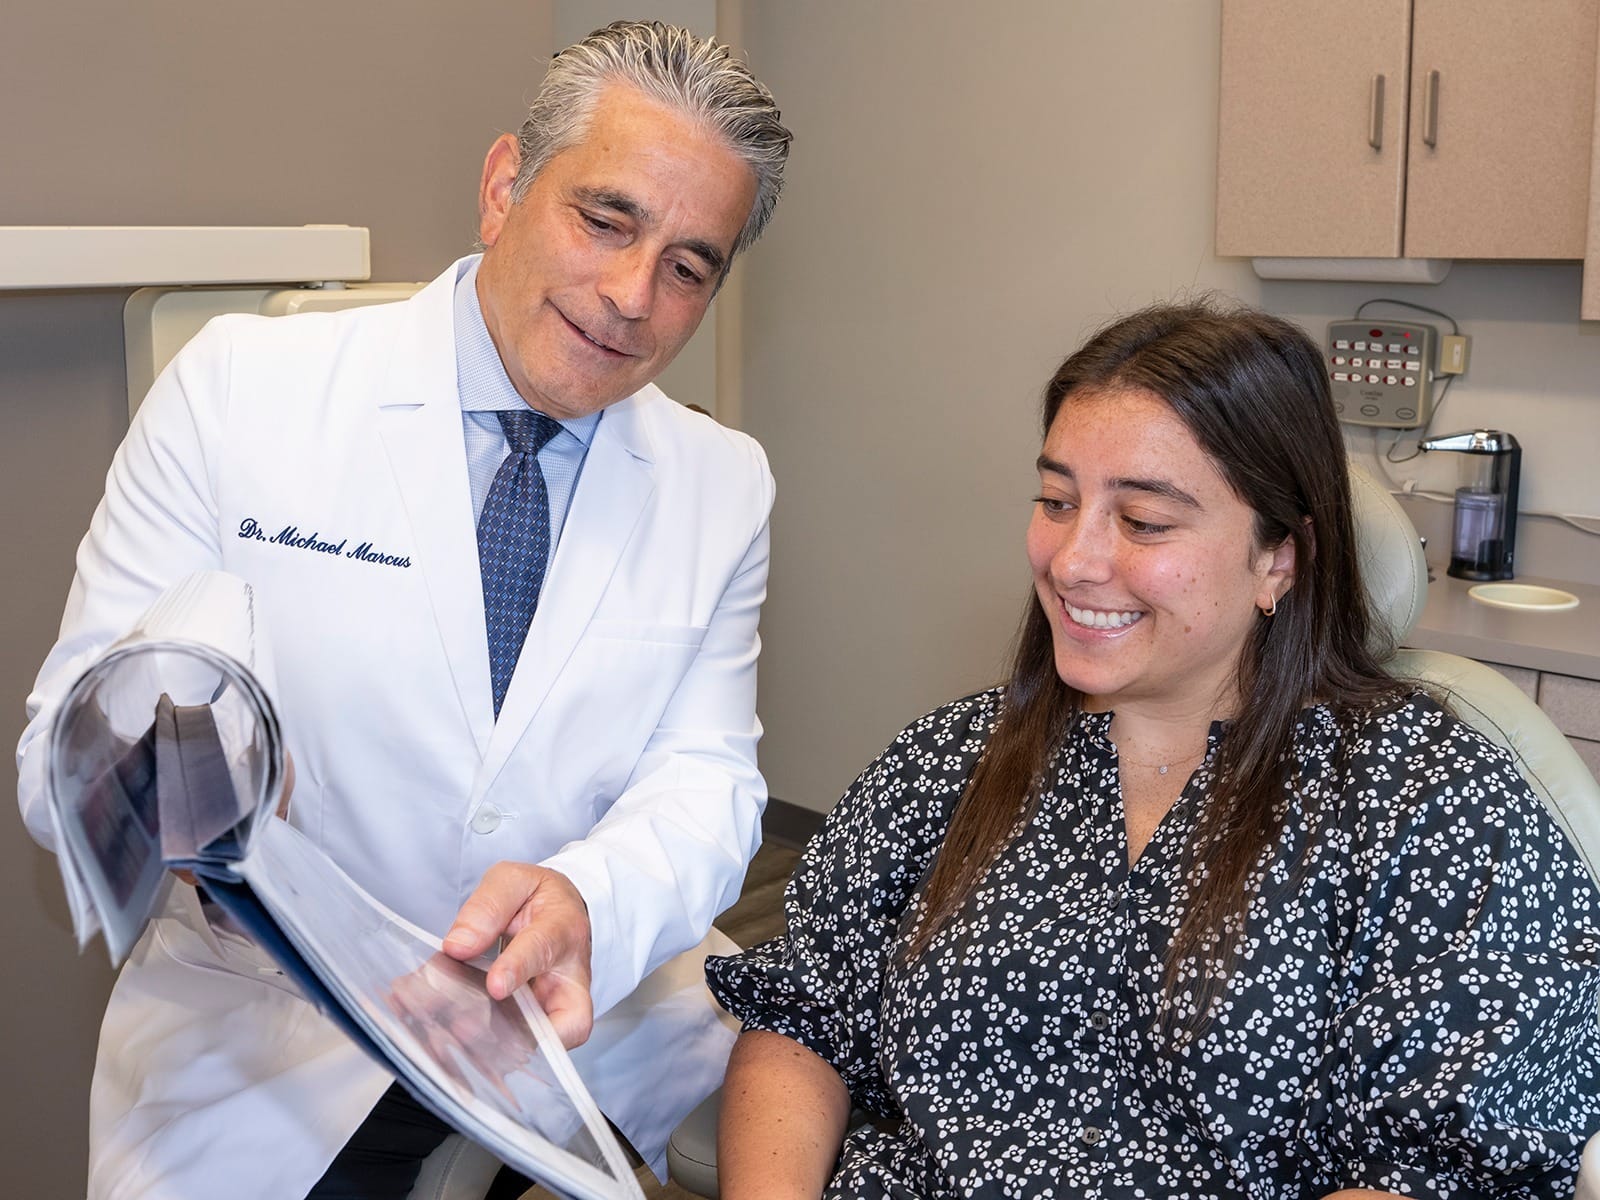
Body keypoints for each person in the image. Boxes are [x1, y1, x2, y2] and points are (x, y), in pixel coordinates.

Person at [16, 20, 791, 1200]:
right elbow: (62, 748)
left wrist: (592, 897)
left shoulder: (721, 482)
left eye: (689, 265)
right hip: (268, 1032)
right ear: (503, 187)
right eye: (605, 219)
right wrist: (170, 780)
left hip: (556, 1010)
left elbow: (707, 782)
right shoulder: (239, 392)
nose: (632, 295)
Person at [707, 301, 1600, 1199]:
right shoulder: (949, 763)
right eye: (1057, 502)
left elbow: (1442, 1169)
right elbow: (805, 1020)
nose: (1073, 561)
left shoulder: (1427, 803)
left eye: (1143, 521)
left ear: (1279, 560)